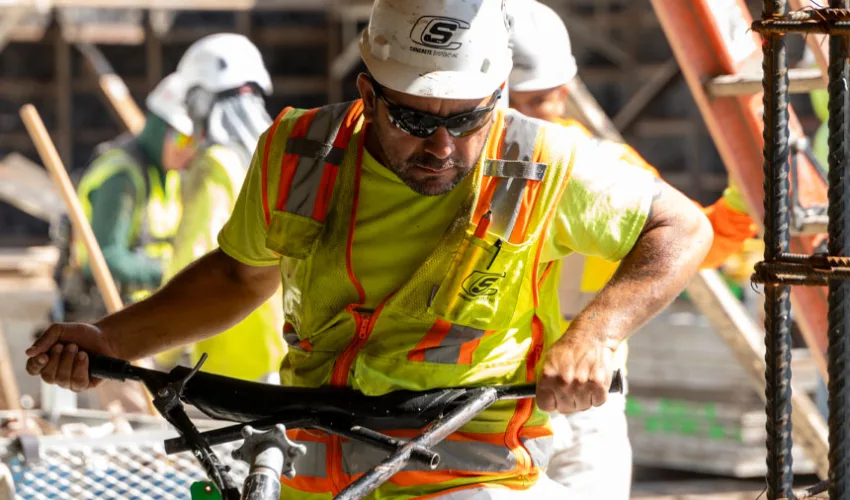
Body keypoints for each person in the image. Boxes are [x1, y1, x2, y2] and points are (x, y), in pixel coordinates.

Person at [26, 1, 713, 498]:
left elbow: (683, 226)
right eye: (413, 118)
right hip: (315, 470)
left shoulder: (545, 163)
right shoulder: (298, 155)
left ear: (499, 98)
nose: (441, 147)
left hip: (466, 476)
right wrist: (110, 338)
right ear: (368, 94)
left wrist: (597, 332)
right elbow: (239, 277)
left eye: (468, 119)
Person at [507, 3, 757, 498]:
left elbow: (683, 244)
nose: (549, 114)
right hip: (489, 403)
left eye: (550, 97)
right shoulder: (454, 171)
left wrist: (736, 212)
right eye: (531, 102)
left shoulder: (601, 163)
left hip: (588, 401)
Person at [154, 33, 286, 382]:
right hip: (288, 346)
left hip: (233, 357)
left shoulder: (215, 164)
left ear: (200, 101)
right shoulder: (281, 160)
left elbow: (192, 255)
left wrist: (156, 344)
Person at [55, 72, 197, 322]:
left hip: (152, 313)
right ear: (159, 127)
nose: (188, 149)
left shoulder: (170, 175)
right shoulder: (121, 178)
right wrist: (172, 274)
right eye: (181, 138)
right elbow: (105, 258)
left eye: (195, 141)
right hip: (111, 319)